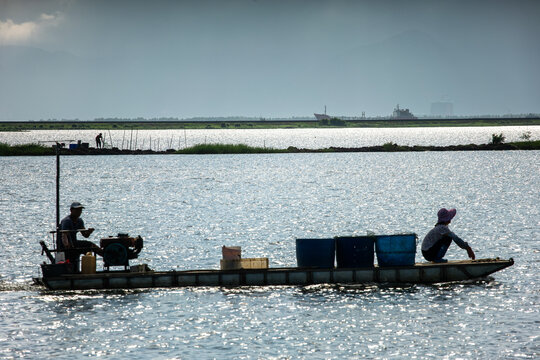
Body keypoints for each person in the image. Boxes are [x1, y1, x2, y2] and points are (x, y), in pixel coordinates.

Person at [58, 202, 102, 269]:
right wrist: (67, 245)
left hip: (74, 243)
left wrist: (89, 232)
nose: (79, 212)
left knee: (90, 246)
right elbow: (64, 235)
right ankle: (104, 254)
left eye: (80, 210)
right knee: (90, 245)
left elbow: (85, 235)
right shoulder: (67, 221)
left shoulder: (79, 221)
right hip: (65, 245)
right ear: (71, 210)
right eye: (77, 210)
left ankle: (105, 255)